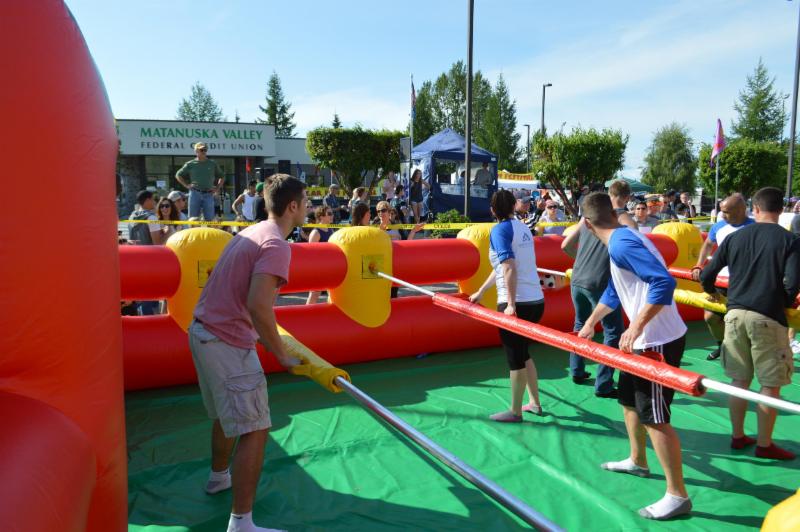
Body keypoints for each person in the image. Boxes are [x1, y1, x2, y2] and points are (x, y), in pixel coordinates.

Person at [189, 174, 306, 532]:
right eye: (307, 202)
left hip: (204, 332)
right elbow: (258, 305)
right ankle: (241, 523)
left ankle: (218, 476)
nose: (310, 209)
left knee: (227, 417)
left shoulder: (253, 232)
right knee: (255, 428)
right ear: (293, 207)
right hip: (225, 341)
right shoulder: (276, 243)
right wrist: (281, 354)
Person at [577, 192, 691, 520]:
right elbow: (617, 290)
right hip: (643, 340)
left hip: (657, 340)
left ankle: (677, 495)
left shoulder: (622, 244)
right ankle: (638, 460)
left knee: (654, 416)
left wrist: (635, 326)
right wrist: (590, 323)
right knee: (627, 400)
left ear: (586, 224)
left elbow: (663, 283)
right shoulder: (621, 241)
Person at [699, 187, 799, 461]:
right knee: (770, 384)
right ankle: (765, 444)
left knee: (738, 379)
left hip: (733, 314)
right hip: (767, 316)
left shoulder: (735, 237)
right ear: (782, 210)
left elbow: (706, 274)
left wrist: (717, 294)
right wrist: (787, 303)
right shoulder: (790, 240)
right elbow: (792, 282)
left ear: (755, 208)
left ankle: (738, 435)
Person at [469, 189, 545, 422]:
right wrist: (481, 292)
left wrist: (510, 305)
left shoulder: (500, 230)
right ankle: (534, 403)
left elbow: (509, 266)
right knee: (524, 353)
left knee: (515, 359)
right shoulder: (522, 227)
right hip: (535, 301)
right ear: (514, 206)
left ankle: (515, 411)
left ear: (492, 210)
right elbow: (501, 267)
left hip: (518, 302)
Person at [561, 188, 637, 398]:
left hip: (578, 279)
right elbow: (635, 237)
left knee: (580, 323)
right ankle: (603, 384)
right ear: (626, 197)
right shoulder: (621, 220)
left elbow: (565, 244)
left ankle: (577, 371)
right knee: (612, 331)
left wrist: (581, 262)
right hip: (599, 282)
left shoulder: (587, 219)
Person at [690, 194, 753, 360]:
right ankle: (722, 346)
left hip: (743, 283)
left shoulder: (754, 227)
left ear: (740, 210)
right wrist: (699, 264)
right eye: (722, 211)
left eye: (726, 211)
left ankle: (741, 351)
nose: (723, 215)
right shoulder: (718, 226)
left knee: (739, 321)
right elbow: (708, 245)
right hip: (719, 279)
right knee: (710, 318)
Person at [175, 142, 225, 221]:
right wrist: (186, 185)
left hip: (209, 194)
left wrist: (217, 188)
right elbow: (178, 175)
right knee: (192, 219)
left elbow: (222, 176)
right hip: (195, 193)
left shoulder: (212, 164)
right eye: (201, 150)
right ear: (196, 151)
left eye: (205, 149)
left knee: (210, 220)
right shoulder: (190, 164)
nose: (204, 151)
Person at [306, 206, 336, 305]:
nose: (332, 216)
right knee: (315, 294)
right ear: (321, 216)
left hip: (329, 267)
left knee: (333, 293)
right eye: (329, 214)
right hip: (318, 268)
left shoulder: (330, 230)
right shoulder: (316, 232)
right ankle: (306, 316)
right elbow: (310, 254)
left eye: (332, 213)